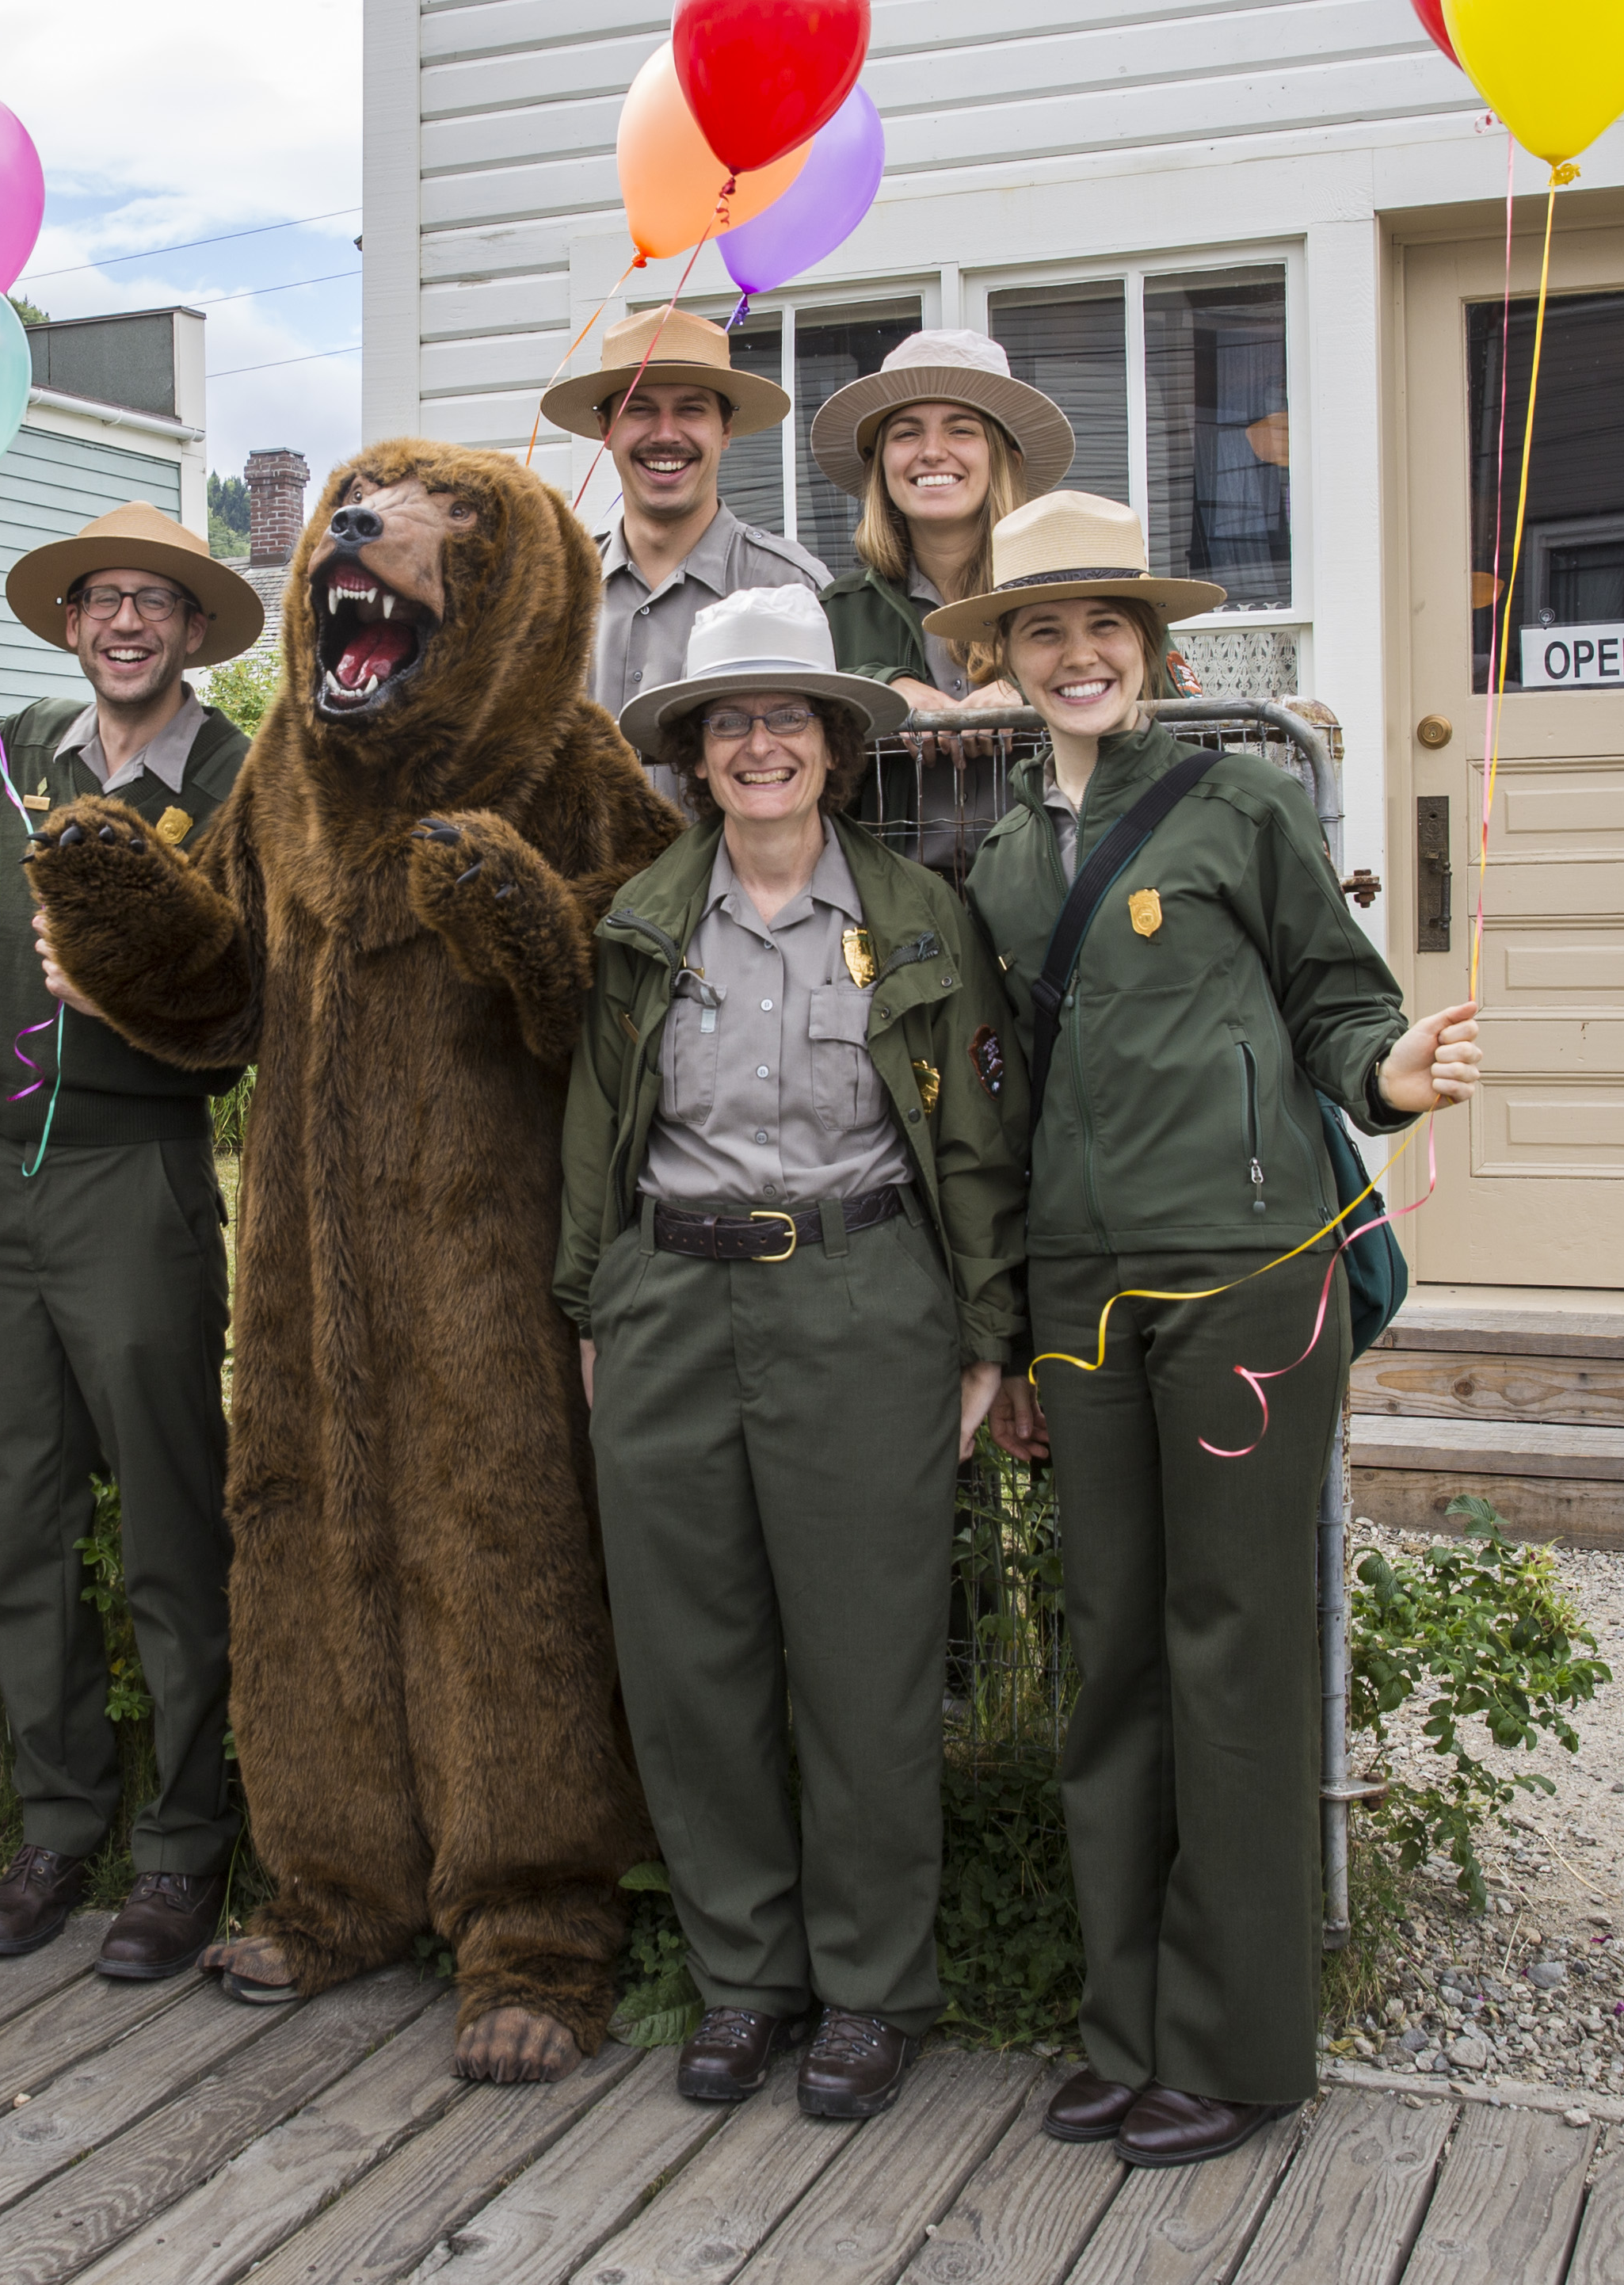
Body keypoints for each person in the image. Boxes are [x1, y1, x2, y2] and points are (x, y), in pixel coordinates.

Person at [939, 490, 1480, 2169]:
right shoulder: (1002, 857)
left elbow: (1334, 990)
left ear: (1153, 650)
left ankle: (1234, 2044)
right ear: (1008, 662)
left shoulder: (1239, 799)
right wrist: (1014, 1329)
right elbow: (1001, 1103)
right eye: (1042, 627)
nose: (1076, 650)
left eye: (1103, 623)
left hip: (1250, 1279)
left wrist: (1385, 1073)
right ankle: (1122, 2026)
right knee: (1107, 1664)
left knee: (1228, 1653)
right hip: (1085, 1303)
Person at [554, 584, 1025, 2124]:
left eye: (786, 719)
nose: (759, 745)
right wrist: (592, 1305)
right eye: (729, 723)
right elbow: (591, 1136)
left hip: (859, 1299)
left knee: (861, 1666)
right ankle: (742, 1977)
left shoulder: (912, 916)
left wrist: (979, 1333)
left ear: (832, 743)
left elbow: (970, 1135)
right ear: (693, 754)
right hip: (671, 1304)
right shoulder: (642, 920)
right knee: (691, 1665)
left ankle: (870, 1990)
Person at [0, 495, 256, 1980]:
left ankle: (179, 1846)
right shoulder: (27, 750)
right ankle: (53, 1825)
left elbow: (248, 1005)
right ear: (69, 622)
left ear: (188, 630)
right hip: (8, 1190)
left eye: (150, 602)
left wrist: (135, 1010)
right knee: (22, 1529)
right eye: (98, 599)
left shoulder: (233, 777)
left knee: (169, 1531)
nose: (122, 621)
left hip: (138, 1177)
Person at [810, 326, 1081, 868]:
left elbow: (1177, 719)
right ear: (880, 463)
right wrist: (878, 690)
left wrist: (1037, 691)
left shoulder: (1081, 593)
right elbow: (778, 737)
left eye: (961, 431)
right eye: (906, 434)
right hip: (892, 915)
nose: (932, 453)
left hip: (1057, 896)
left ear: (1003, 455)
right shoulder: (832, 614)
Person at [547, 304, 827, 799]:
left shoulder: (791, 587)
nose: (666, 434)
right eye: (640, 408)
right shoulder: (554, 591)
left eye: (692, 409)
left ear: (726, 429)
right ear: (606, 429)